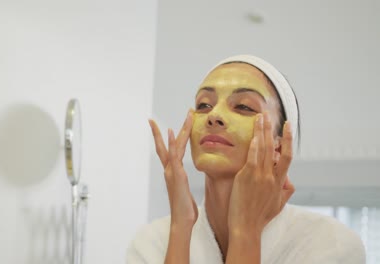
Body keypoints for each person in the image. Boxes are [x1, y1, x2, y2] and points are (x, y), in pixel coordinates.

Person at [126, 55, 366, 263]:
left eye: (243, 106)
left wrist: (245, 231)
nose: (214, 116)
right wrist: (181, 227)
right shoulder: (152, 241)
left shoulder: (331, 243)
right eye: (204, 104)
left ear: (279, 145)